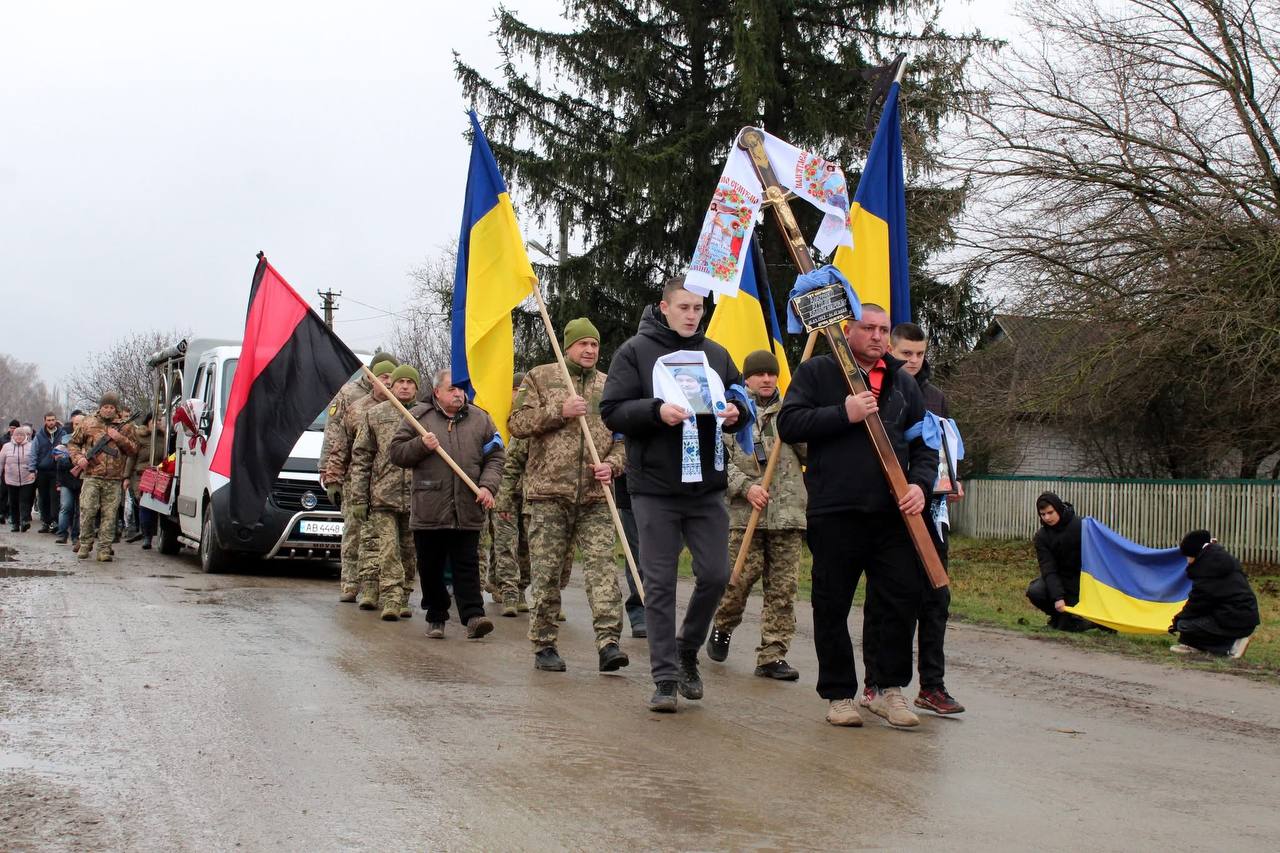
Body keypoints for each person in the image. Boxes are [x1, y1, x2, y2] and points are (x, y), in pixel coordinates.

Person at [777, 303, 937, 729]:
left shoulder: (905, 383)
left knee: (899, 601)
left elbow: (924, 445)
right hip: (836, 510)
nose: (878, 336)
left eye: (884, 329)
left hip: (894, 513)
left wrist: (920, 485)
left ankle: (888, 690)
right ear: (848, 330)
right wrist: (842, 413)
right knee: (832, 604)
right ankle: (839, 694)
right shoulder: (817, 372)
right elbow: (789, 424)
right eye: (869, 328)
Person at [601, 276, 747, 713]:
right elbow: (611, 411)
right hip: (655, 489)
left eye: (698, 308)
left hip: (706, 487)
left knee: (718, 575)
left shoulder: (715, 354)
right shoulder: (635, 352)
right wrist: (654, 410)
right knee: (659, 584)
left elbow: (737, 396)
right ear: (664, 308)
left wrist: (738, 413)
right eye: (683, 307)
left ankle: (687, 649)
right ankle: (665, 678)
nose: (691, 315)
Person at [510, 317, 629, 674]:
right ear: (568, 347)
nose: (590, 350)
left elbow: (623, 440)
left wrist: (613, 465)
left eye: (594, 344)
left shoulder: (611, 386)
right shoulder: (540, 377)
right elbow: (517, 424)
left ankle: (608, 643)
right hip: (549, 494)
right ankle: (544, 643)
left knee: (603, 570)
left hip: (595, 496)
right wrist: (558, 412)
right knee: (546, 574)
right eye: (583, 344)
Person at [860, 322, 965, 715]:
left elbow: (942, 449)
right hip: (886, 513)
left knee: (936, 596)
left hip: (931, 512)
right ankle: (875, 682)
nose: (914, 361)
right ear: (891, 349)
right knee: (884, 599)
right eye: (906, 354)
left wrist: (953, 481)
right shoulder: (878, 390)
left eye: (920, 355)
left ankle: (932, 686)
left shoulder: (936, 397)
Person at [706, 349, 806, 682]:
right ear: (747, 378)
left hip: (787, 516)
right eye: (760, 374)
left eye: (771, 373)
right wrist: (746, 487)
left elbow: (810, 450)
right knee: (737, 583)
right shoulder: (732, 414)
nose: (767, 379)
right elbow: (718, 459)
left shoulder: (791, 412)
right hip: (744, 515)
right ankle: (722, 624)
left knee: (783, 589)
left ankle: (772, 655)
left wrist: (801, 424)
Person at [389, 368, 505, 640]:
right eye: (452, 388)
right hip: (430, 505)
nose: (458, 393)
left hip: (467, 505)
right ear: (437, 392)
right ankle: (437, 615)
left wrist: (488, 486)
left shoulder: (481, 419)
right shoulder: (418, 417)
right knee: (430, 565)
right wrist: (420, 444)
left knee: (467, 563)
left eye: (462, 388)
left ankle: (474, 616)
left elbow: (496, 457)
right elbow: (396, 453)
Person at [348, 365, 421, 621]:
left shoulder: (426, 416)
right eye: (399, 381)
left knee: (409, 551)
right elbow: (362, 457)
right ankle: (390, 596)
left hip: (417, 498)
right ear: (391, 385)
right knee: (388, 548)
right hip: (383, 496)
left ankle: (403, 597)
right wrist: (358, 497)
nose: (404, 386)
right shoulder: (375, 415)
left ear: (416, 387)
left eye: (409, 383)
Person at [322, 359, 396, 604]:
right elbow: (337, 442)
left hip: (388, 482)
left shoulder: (400, 406)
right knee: (354, 532)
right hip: (355, 479)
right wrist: (331, 477)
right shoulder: (353, 401)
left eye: (390, 377)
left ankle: (374, 587)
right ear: (372, 377)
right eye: (382, 376)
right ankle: (350, 583)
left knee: (379, 536)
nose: (386, 382)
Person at [68, 393, 137, 562]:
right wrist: (79, 459)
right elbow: (73, 443)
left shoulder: (125, 426)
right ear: (100, 407)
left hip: (114, 478)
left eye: (111, 407)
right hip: (91, 475)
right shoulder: (88, 422)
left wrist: (119, 439)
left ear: (116, 409)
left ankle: (105, 548)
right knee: (88, 510)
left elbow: (134, 450)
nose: (108, 410)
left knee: (110, 514)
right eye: (105, 407)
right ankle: (85, 543)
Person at [1169, 531, 1260, 658]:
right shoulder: (1218, 560)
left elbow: (1198, 603)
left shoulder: (1207, 569)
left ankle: (1232, 646)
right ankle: (1194, 646)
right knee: (1191, 620)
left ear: (1194, 553)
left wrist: (1178, 620)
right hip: (1244, 616)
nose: (1187, 561)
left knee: (1185, 624)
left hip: (1236, 618)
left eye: (1188, 557)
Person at [480, 372, 524, 604]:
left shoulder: (529, 417)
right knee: (502, 539)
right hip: (495, 486)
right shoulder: (495, 415)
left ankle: (497, 581)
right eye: (515, 390)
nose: (518, 395)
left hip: (523, 490)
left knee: (515, 542)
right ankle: (505, 587)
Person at [1026, 491, 1093, 631]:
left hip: (1084, 581)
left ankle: (1094, 622)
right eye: (1043, 514)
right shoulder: (1042, 537)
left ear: (1058, 508)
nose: (1047, 518)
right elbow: (1048, 569)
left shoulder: (1082, 526)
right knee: (1035, 591)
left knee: (1070, 624)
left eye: (1050, 512)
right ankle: (1060, 617)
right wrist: (1058, 598)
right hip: (1059, 579)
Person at [491, 429, 534, 615]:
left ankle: (522, 589)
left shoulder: (541, 419)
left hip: (532, 494)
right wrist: (503, 501)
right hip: (506, 491)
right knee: (506, 542)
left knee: (527, 545)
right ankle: (509, 592)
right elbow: (510, 464)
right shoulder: (522, 423)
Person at [123, 413, 166, 550]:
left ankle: (157, 533)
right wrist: (126, 477)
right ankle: (147, 536)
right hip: (141, 474)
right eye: (155, 420)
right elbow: (131, 457)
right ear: (148, 422)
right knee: (145, 504)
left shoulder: (163, 437)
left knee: (159, 505)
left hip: (160, 475)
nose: (158, 423)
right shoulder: (139, 436)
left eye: (160, 420)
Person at [613, 473, 646, 638]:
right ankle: (639, 608)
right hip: (633, 487)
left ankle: (659, 610)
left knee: (664, 558)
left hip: (670, 488)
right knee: (637, 553)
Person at [54, 411, 84, 547]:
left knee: (80, 510)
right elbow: (60, 462)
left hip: (83, 480)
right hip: (66, 480)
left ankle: (76, 536)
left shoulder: (90, 441)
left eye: (81, 423)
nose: (78, 426)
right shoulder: (65, 439)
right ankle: (62, 534)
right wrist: (77, 460)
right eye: (76, 423)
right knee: (66, 507)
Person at [1, 425, 37, 531]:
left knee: (25, 500)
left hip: (27, 478)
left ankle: (24, 520)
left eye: (21, 435)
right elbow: (1, 462)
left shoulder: (31, 446)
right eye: (17, 435)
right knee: (13, 501)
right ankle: (15, 523)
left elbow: (34, 461)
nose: (19, 437)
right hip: (11, 479)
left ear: (25, 436)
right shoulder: (6, 446)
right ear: (13, 435)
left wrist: (34, 472)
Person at [33, 412, 63, 533]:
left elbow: (67, 448)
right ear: (45, 421)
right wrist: (32, 468)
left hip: (57, 470)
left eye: (53, 420)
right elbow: (34, 452)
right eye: (48, 420)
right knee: (43, 497)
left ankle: (54, 521)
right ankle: (45, 521)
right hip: (42, 470)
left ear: (56, 420)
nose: (51, 422)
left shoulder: (62, 434)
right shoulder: (39, 435)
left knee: (55, 497)